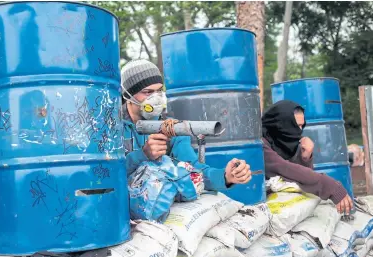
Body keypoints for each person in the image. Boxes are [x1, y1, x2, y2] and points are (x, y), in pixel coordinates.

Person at [121, 59, 252, 191]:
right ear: (127, 95)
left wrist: (225, 176)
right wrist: (143, 155)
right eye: (148, 92)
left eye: (160, 91)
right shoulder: (109, 127)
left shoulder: (170, 127)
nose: (156, 98)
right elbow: (105, 174)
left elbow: (193, 170)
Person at [261, 100, 353, 214]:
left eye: (302, 126)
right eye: (296, 125)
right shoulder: (260, 144)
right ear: (282, 124)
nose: (299, 131)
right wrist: (330, 186)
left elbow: (298, 180)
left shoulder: (281, 142)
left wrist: (305, 157)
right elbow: (283, 168)